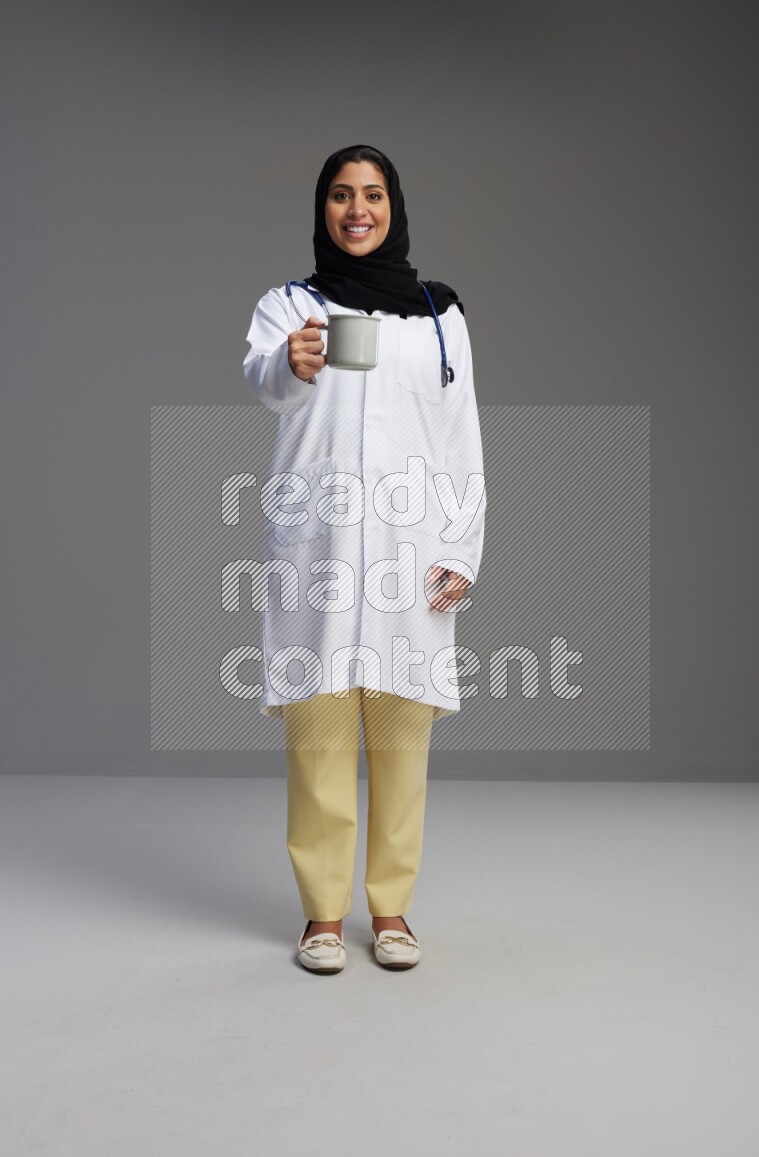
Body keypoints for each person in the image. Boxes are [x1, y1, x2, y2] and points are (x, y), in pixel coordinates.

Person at [243, 144, 486, 973]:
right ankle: (321, 914)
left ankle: (390, 909)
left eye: (373, 194)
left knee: (401, 740)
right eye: (342, 195)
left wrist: (461, 547)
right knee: (318, 737)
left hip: (409, 554)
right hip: (320, 547)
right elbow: (265, 383)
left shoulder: (438, 317)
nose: (357, 210)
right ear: (323, 208)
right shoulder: (291, 305)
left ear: (394, 206)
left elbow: (460, 436)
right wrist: (292, 362)